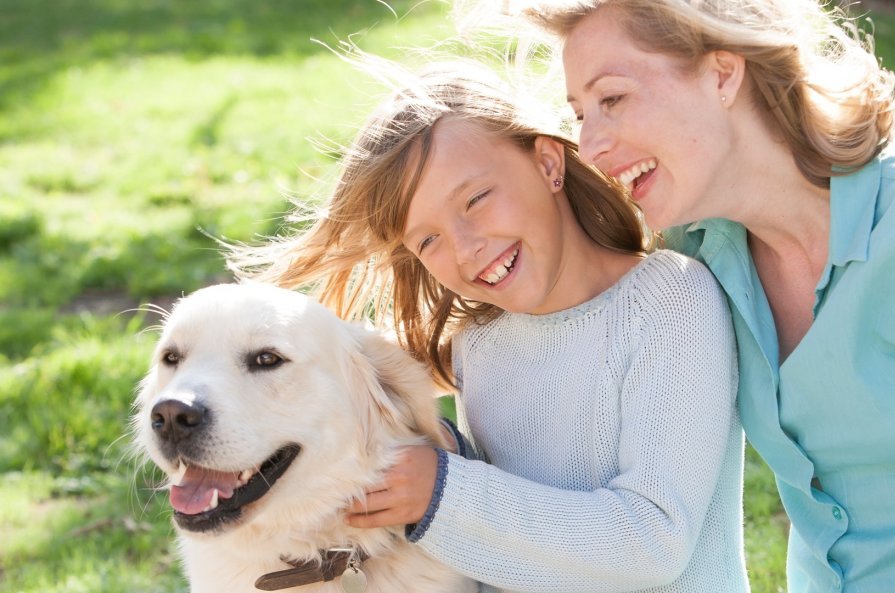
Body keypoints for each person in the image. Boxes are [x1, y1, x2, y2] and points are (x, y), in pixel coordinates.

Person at [516, 0, 895, 591]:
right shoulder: (696, 254)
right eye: (581, 113)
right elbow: (567, 320)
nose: (590, 145)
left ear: (722, 73)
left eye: (612, 99)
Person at [228, 59, 749, 592]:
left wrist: (442, 493)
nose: (465, 247)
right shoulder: (481, 345)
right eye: (427, 240)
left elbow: (652, 543)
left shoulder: (671, 301)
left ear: (548, 163)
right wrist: (443, 459)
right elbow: (507, 535)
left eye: (475, 199)